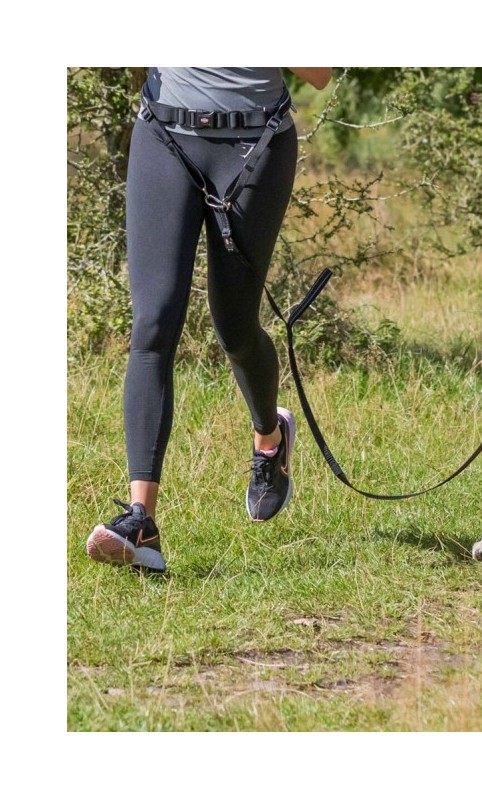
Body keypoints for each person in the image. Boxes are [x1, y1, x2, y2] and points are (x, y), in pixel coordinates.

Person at [86, 67, 333, 573]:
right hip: (165, 134)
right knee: (152, 325)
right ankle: (141, 522)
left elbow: (320, 73)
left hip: (256, 142)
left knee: (235, 324)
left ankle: (270, 440)